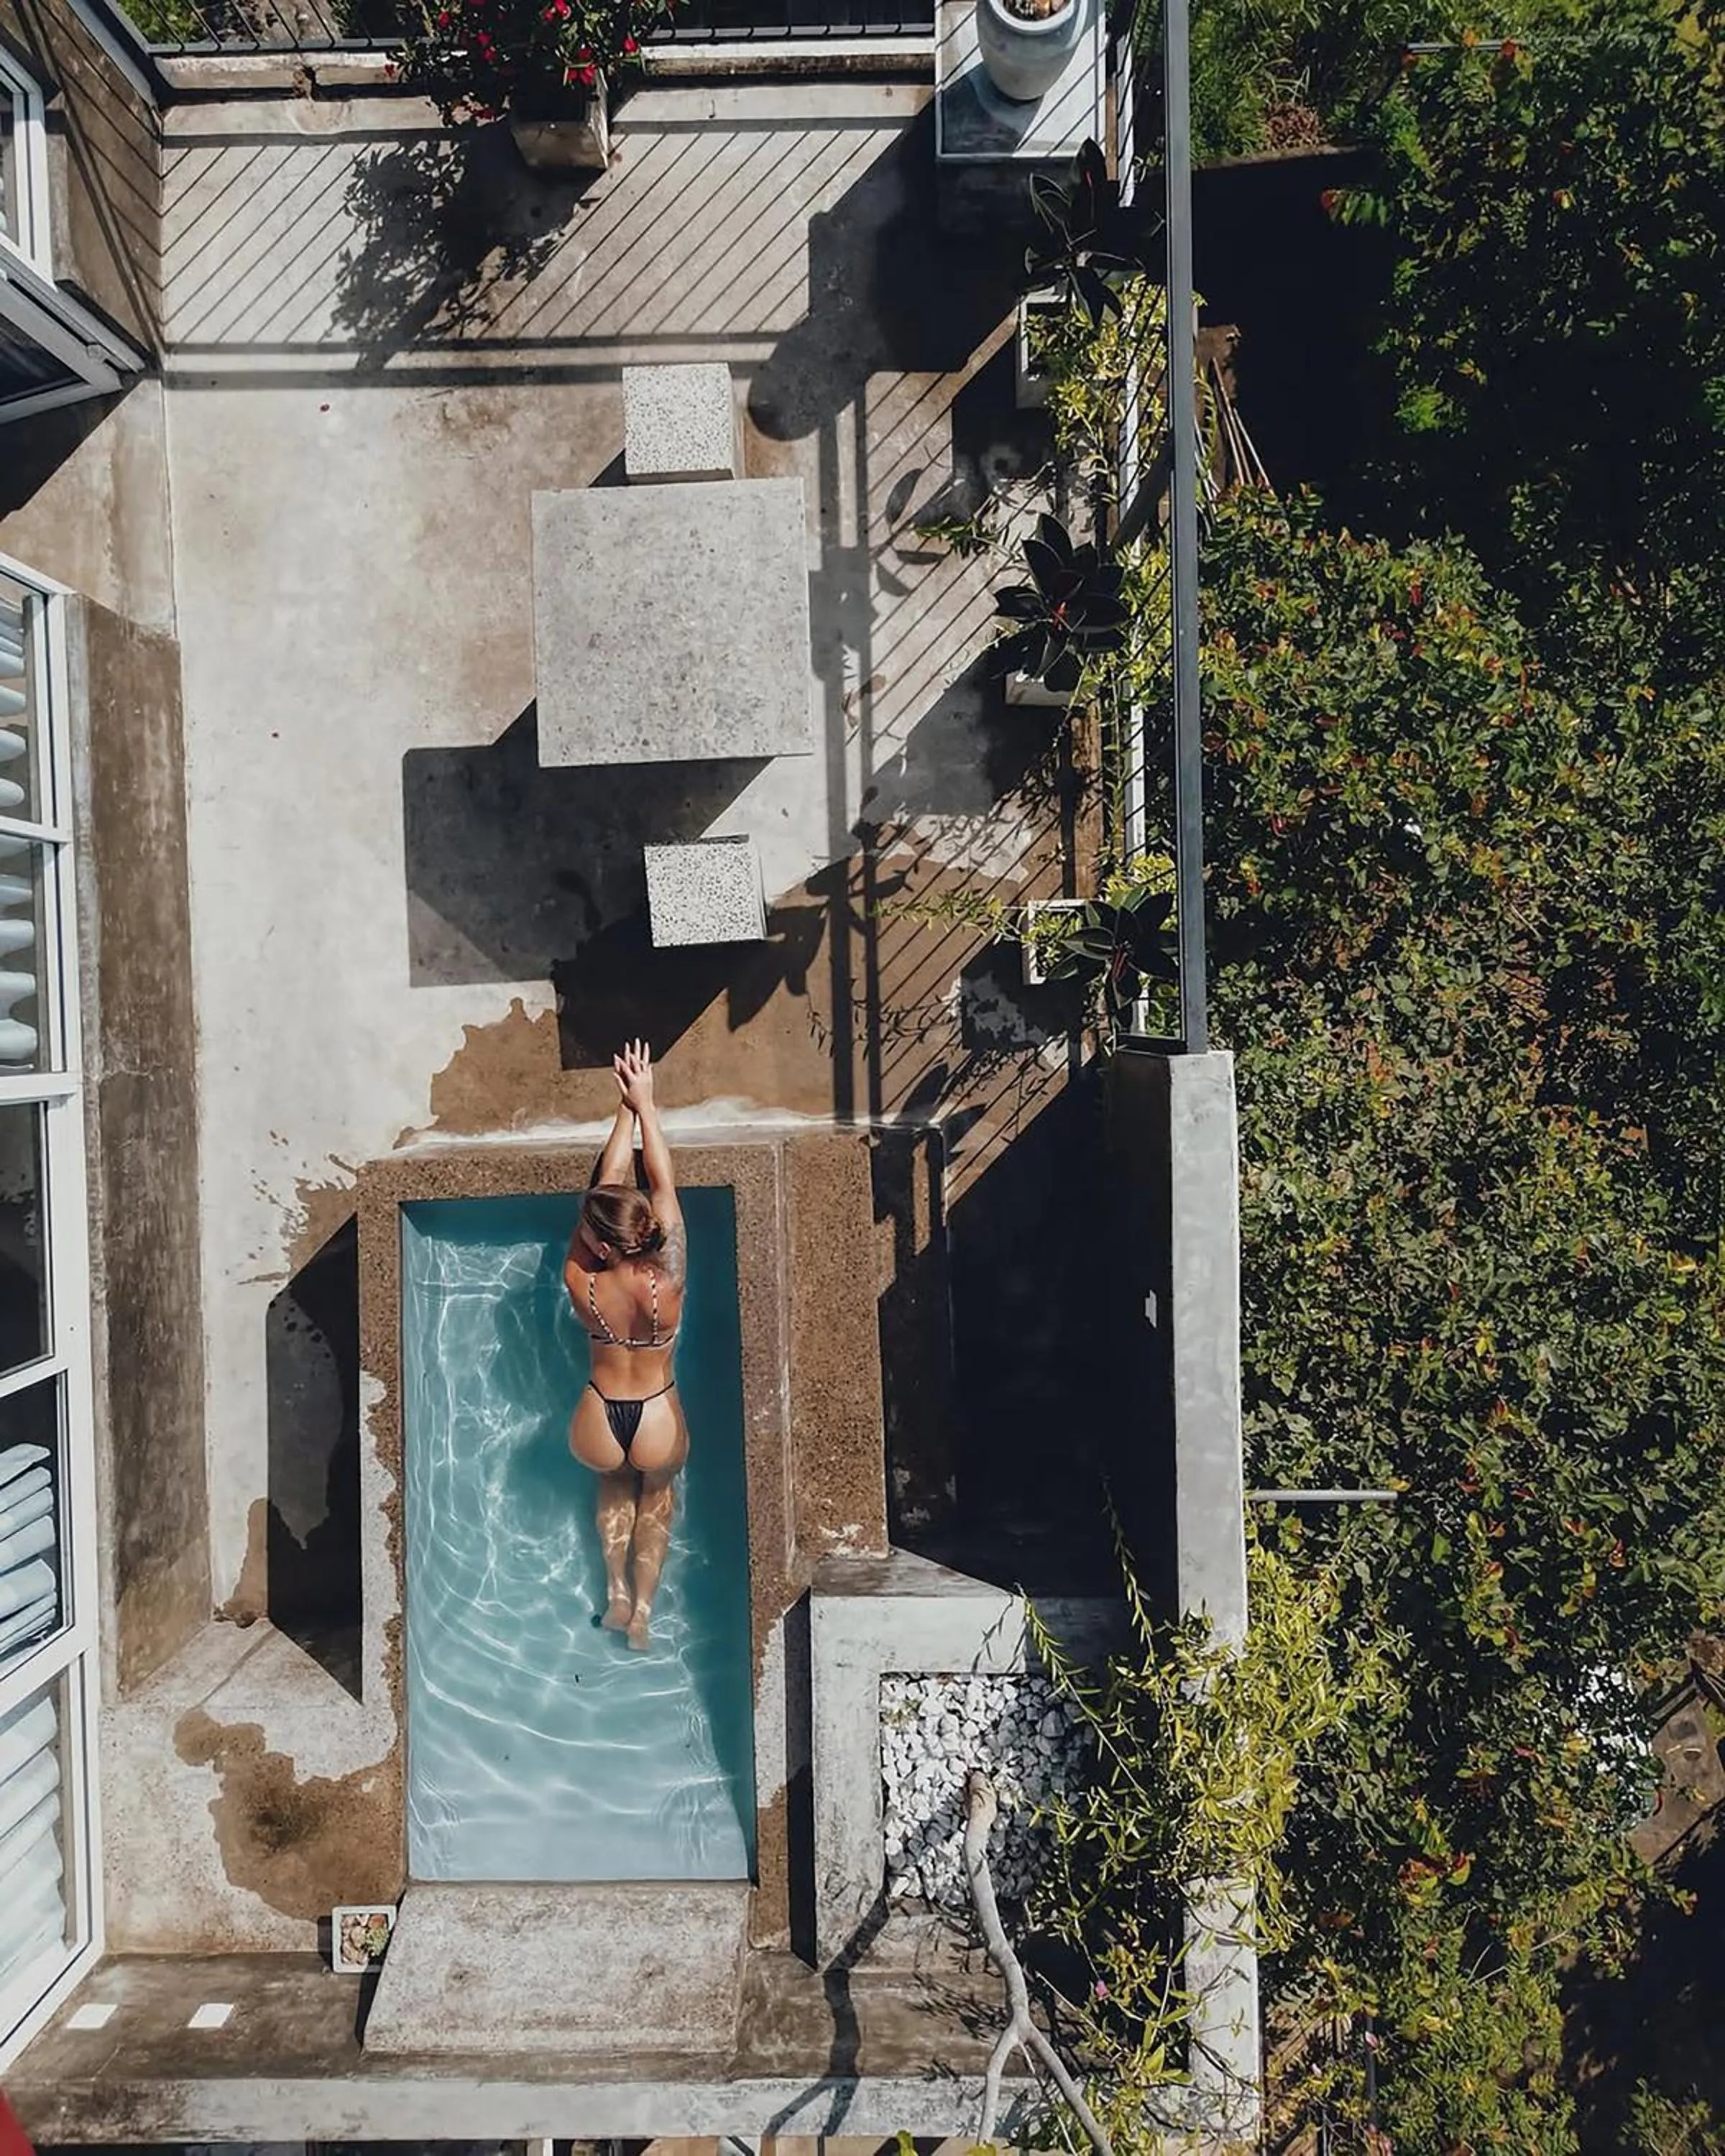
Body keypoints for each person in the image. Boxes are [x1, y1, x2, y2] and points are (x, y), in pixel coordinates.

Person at [565, 1039, 689, 1651]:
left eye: (592, 1229)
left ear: (605, 1247)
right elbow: (658, 1179)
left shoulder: (581, 1277)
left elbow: (606, 1181)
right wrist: (646, 1104)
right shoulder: (666, 1276)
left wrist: (622, 1109)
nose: (585, 1233)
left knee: (611, 1488)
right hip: (656, 1411)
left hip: (598, 1411)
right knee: (656, 1499)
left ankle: (613, 1591)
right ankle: (642, 1613)